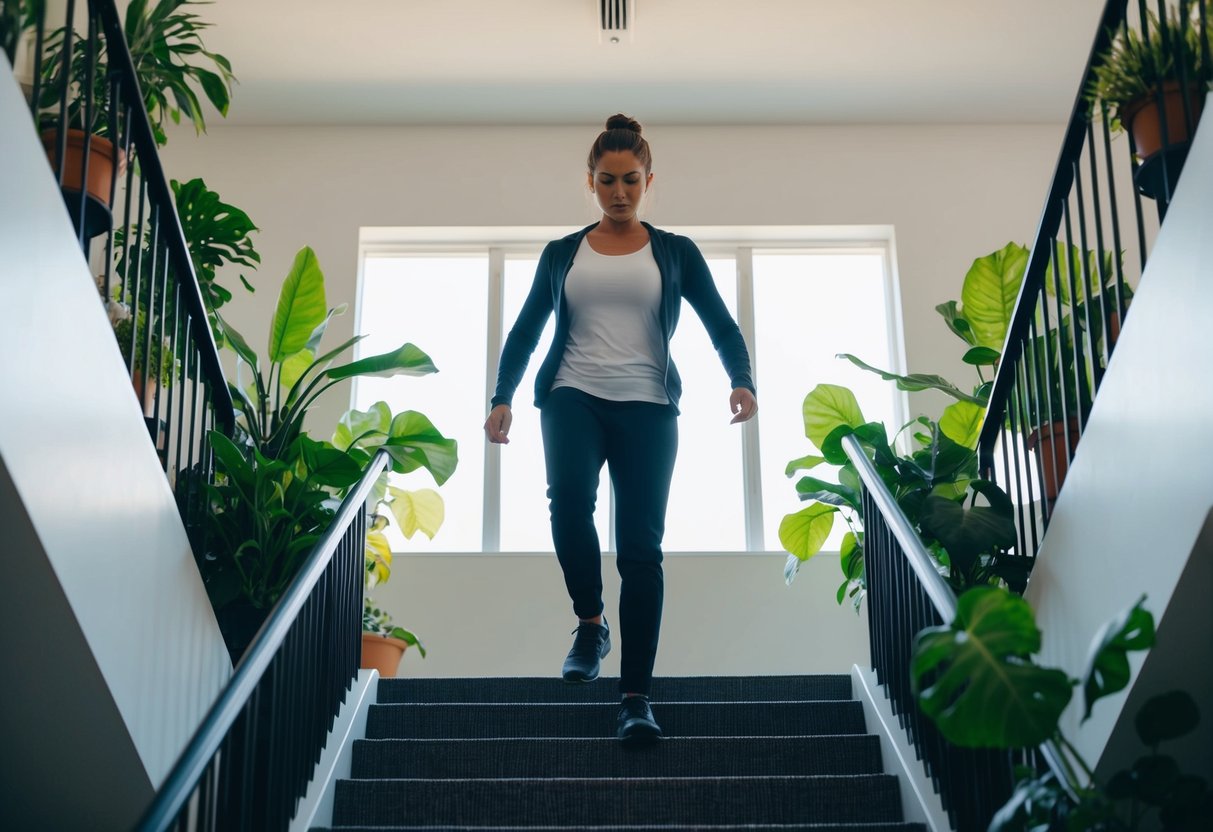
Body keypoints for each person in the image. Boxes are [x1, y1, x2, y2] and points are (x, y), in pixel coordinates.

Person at [483, 114, 757, 747]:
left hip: (648, 408)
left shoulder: (676, 252)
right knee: (569, 505)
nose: (619, 193)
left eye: (631, 181)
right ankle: (589, 621)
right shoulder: (562, 255)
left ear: (648, 180)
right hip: (572, 397)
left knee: (641, 552)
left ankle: (636, 698)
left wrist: (741, 378)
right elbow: (526, 330)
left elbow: (720, 322)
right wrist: (502, 395)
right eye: (607, 181)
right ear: (590, 182)